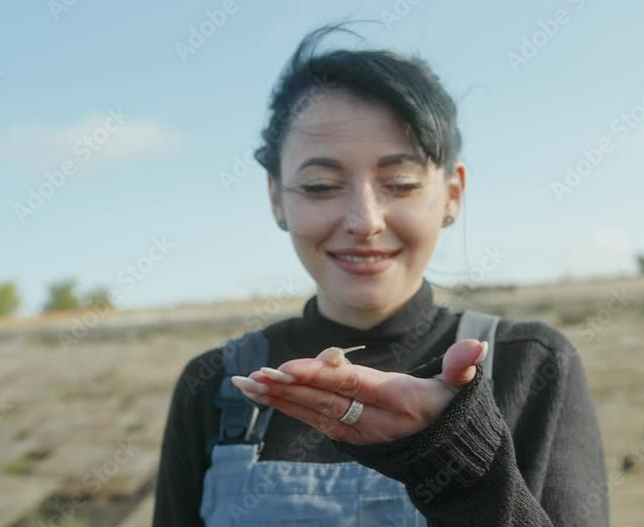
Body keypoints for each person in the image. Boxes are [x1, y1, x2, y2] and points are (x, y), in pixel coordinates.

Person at [153, 23, 609, 526]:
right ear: (276, 197)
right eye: (321, 185)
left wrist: (461, 468)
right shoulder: (213, 384)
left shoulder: (533, 365)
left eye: (401, 182)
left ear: (452, 193)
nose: (364, 221)